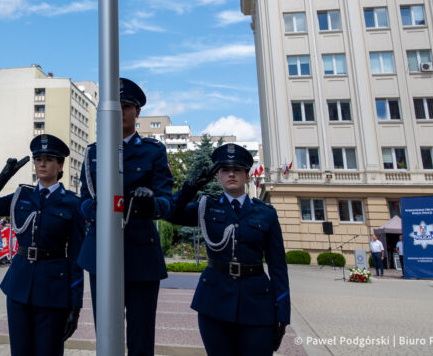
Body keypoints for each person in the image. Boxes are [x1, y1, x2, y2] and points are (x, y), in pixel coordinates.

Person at [78, 77, 177, 356]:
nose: (120, 111)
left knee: (141, 335)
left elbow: (166, 202)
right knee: (106, 334)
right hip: (101, 251)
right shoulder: (94, 152)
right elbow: (84, 200)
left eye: (126, 105)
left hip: (140, 252)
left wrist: (151, 203)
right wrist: (94, 210)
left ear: (137, 112)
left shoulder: (153, 151)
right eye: (115, 106)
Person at [168, 143, 290, 356]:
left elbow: (278, 265)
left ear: (247, 175)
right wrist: (192, 186)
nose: (231, 173)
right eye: (224, 169)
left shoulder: (266, 213)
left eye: (238, 169)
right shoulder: (206, 207)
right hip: (215, 301)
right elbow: (170, 213)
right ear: (217, 176)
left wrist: (283, 311)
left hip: (257, 303)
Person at [0, 134, 84, 356]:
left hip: (53, 289)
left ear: (60, 165)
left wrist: (75, 305)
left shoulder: (73, 203)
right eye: (38, 159)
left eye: (49, 159)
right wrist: (1, 178)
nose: (42, 163)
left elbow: (75, 257)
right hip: (19, 285)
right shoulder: (20, 196)